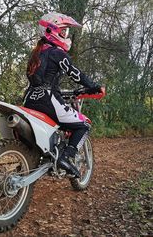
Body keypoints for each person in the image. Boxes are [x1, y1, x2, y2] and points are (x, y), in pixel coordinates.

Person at [23, 12, 103, 178]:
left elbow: (41, 79)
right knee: (84, 125)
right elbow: (76, 74)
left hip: (29, 99)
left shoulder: (36, 53)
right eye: (63, 31)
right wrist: (94, 86)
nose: (65, 35)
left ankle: (46, 155)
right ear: (51, 31)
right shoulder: (56, 53)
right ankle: (66, 157)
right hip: (48, 100)